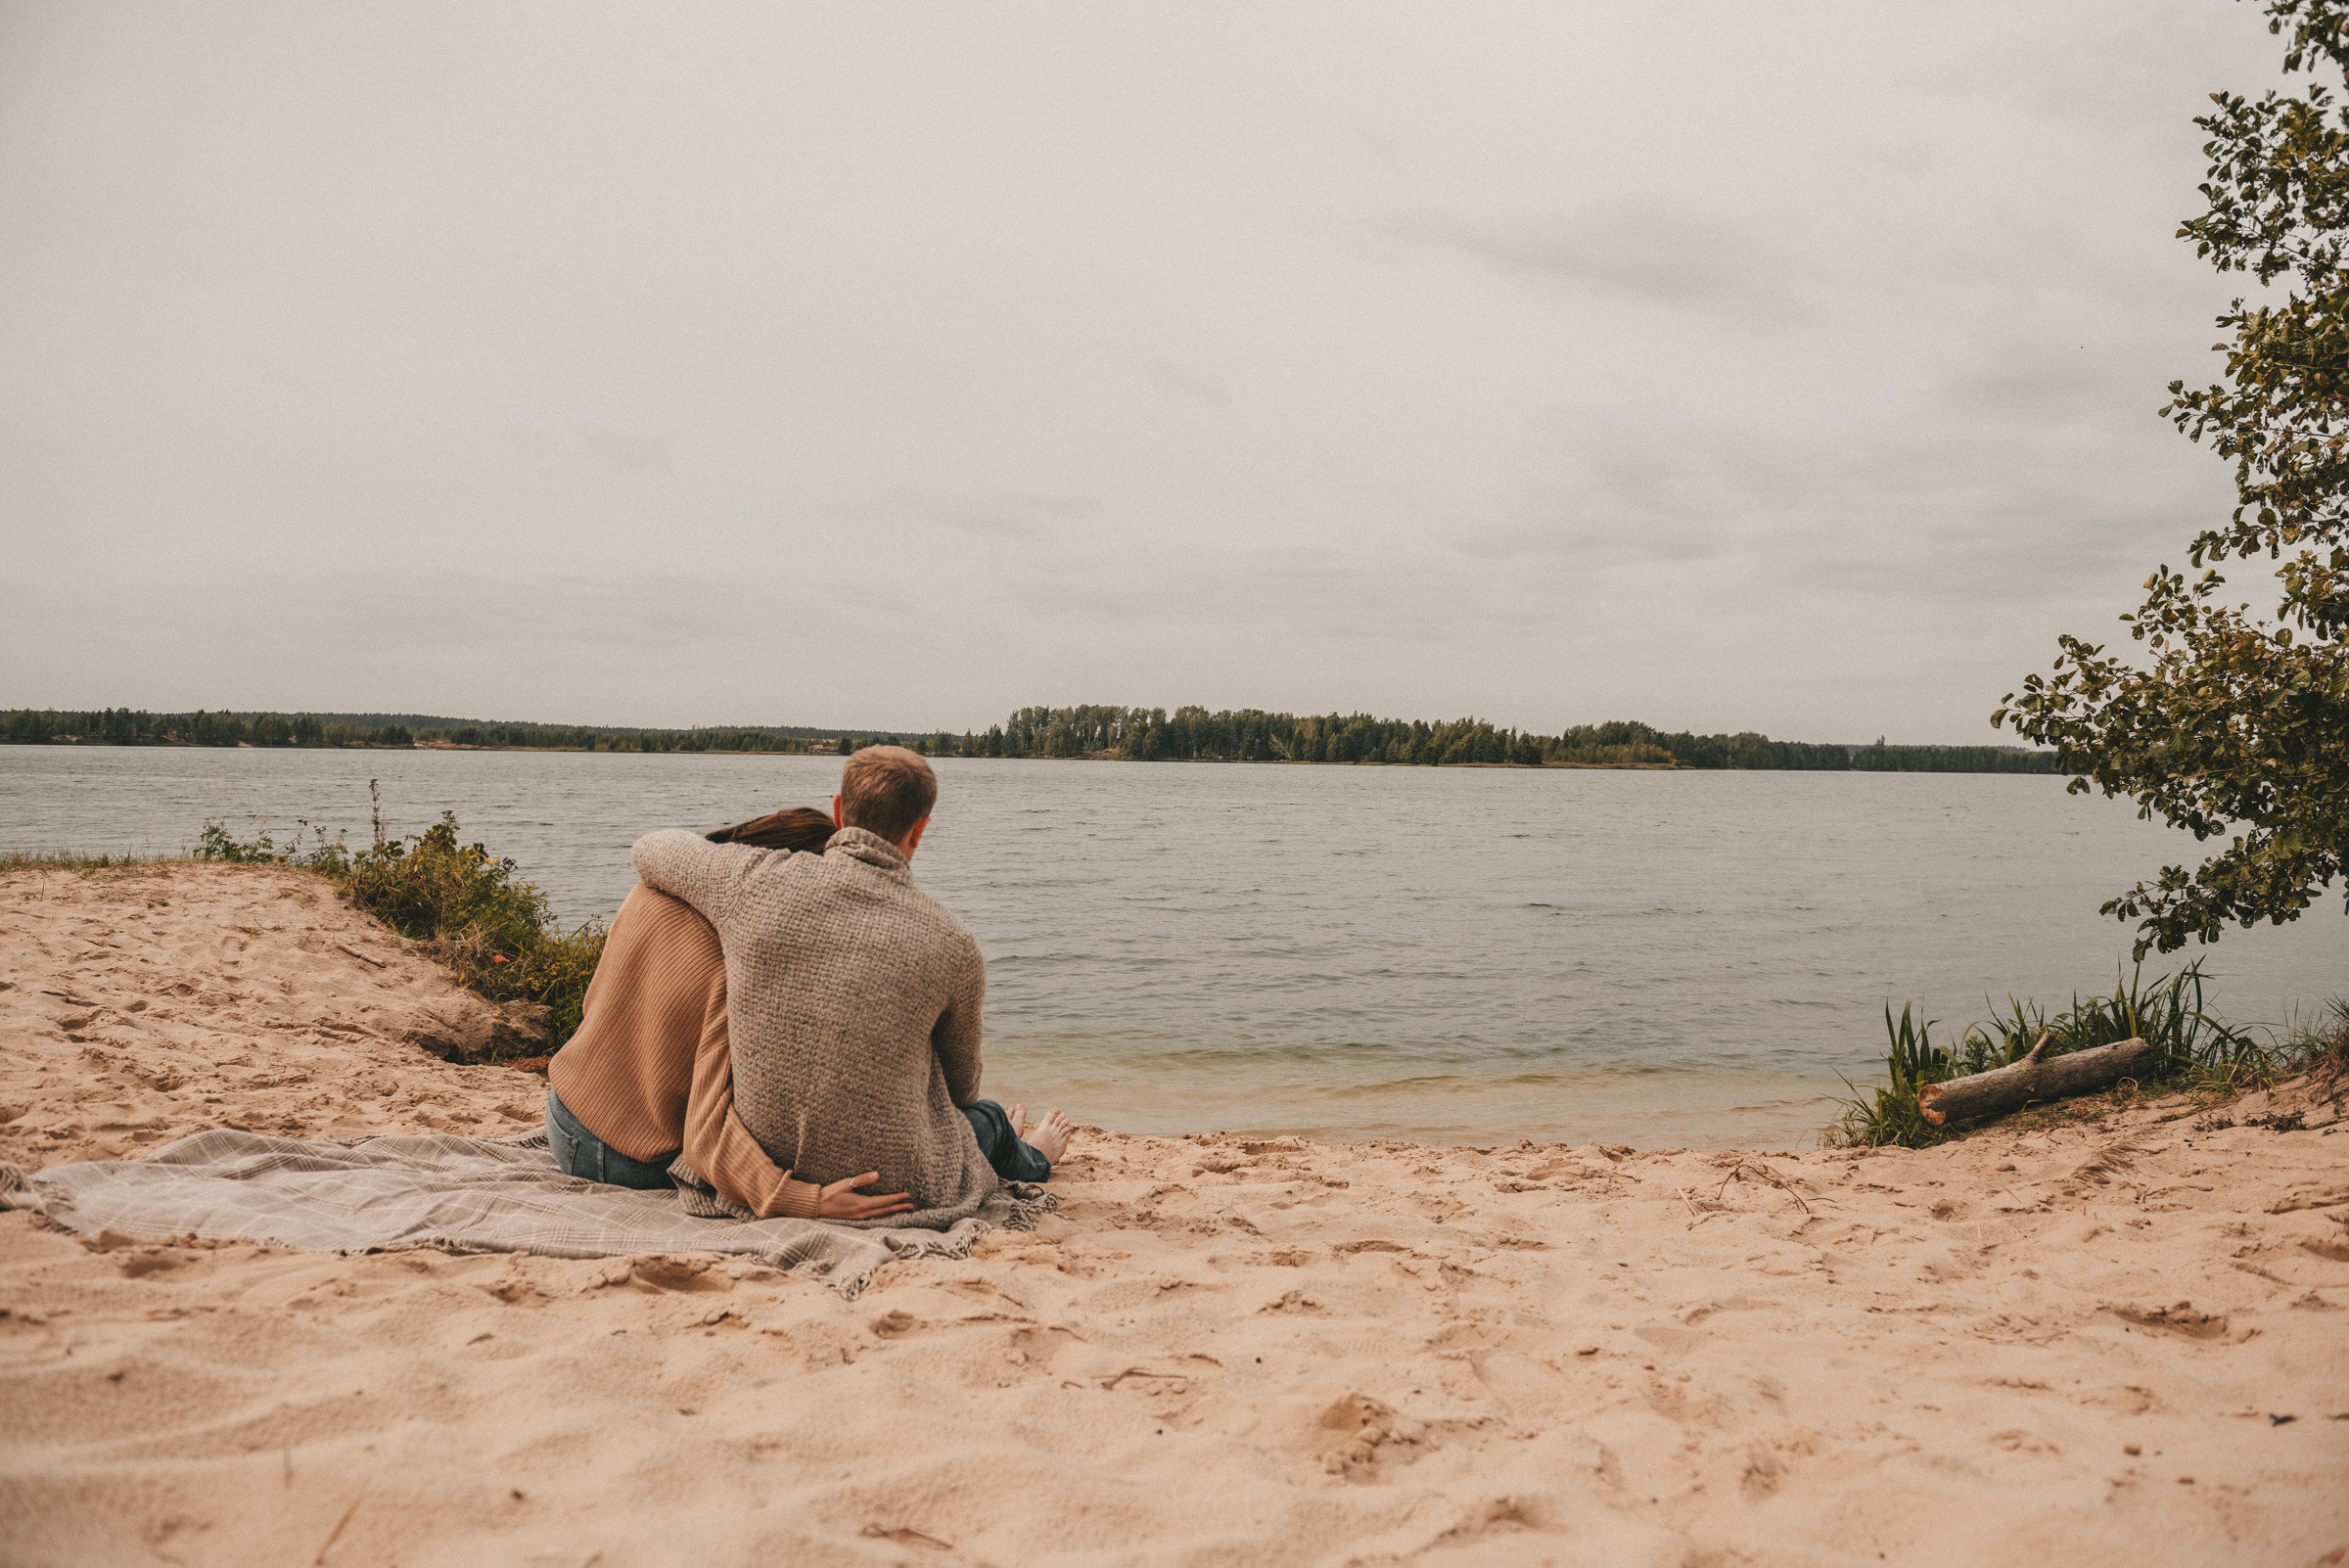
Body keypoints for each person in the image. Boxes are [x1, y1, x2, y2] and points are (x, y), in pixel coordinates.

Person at [547, 800, 1070, 1220]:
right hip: (629, 1161)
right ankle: (1035, 1153)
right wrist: (804, 1200)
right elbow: (706, 1131)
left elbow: (599, 1008)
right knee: (983, 1121)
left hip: (564, 1116)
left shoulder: (649, 894)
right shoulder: (740, 956)